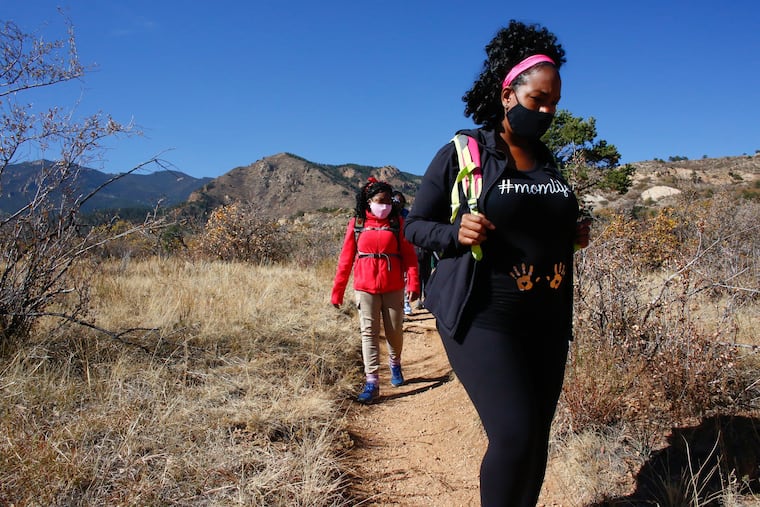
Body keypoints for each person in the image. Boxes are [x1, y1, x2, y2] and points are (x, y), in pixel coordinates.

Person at [404, 20, 590, 506]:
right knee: (513, 435)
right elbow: (415, 225)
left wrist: (572, 235)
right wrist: (455, 232)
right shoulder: (463, 153)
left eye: (554, 103)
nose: (548, 111)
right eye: (538, 100)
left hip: (547, 318)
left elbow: (534, 227)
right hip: (484, 314)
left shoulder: (550, 161)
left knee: (535, 444)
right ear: (508, 93)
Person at [332, 178, 420, 403]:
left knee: (394, 332)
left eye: (388, 201)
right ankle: (372, 381)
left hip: (393, 287)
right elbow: (345, 259)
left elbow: (410, 256)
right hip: (365, 287)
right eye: (381, 201)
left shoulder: (397, 223)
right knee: (368, 333)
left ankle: (395, 363)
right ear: (369, 201)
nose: (385, 205)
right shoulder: (357, 223)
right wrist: (337, 291)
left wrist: (413, 283)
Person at [391, 190, 415, 315]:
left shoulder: (406, 215)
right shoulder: (388, 215)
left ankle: (405, 303)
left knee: (405, 277)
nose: (398, 204)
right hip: (391, 251)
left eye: (400, 202)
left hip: (404, 248)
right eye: (395, 201)